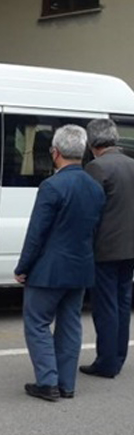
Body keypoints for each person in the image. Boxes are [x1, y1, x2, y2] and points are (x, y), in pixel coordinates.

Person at [14, 125, 105, 401]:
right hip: (80, 267)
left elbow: (37, 232)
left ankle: (47, 382)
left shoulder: (52, 186)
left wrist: (23, 267)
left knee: (38, 323)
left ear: (55, 153)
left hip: (49, 269)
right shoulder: (95, 187)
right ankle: (67, 384)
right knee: (70, 325)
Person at [81, 118, 134, 379]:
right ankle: (118, 357)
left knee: (105, 307)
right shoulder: (131, 165)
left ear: (92, 143)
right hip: (129, 248)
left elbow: (90, 212)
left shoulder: (96, 167)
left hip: (103, 249)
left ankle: (106, 362)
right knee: (123, 303)